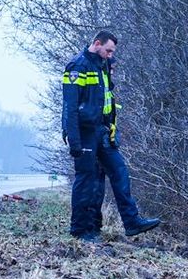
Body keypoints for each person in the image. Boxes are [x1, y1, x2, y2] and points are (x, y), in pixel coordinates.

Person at [61, 30, 161, 241]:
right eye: (108, 50)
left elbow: (106, 98)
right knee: (86, 181)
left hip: (103, 132)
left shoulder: (102, 64)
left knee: (120, 172)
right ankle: (80, 230)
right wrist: (74, 141)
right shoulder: (77, 67)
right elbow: (70, 107)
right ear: (96, 44)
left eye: (112, 52)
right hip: (85, 133)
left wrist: (110, 129)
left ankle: (132, 222)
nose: (109, 55)